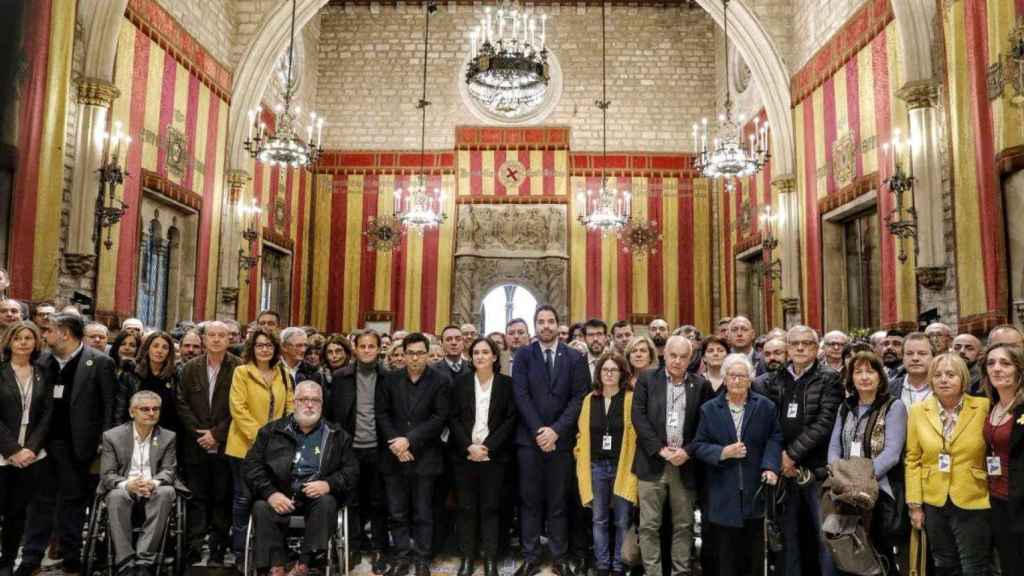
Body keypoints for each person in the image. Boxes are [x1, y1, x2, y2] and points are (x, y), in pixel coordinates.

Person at [19, 313, 116, 576]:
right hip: (42, 443)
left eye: (48, 330)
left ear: (64, 334)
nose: (44, 335)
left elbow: (110, 406)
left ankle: (72, 555)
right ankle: (31, 557)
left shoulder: (100, 363)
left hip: (79, 445)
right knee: (39, 502)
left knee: (73, 502)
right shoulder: (42, 361)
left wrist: (103, 441)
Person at [246, 381, 359, 576]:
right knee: (261, 507)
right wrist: (270, 493)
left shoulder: (337, 435)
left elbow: (351, 471)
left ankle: (305, 565)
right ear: (294, 402)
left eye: (315, 400)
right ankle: (276, 568)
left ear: (322, 404)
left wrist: (328, 484)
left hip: (316, 497)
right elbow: (251, 466)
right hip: (281, 493)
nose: (309, 405)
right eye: (304, 399)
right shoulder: (271, 431)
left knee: (327, 503)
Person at [757, 325, 841, 576]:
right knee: (787, 535)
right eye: (795, 344)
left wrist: (791, 454)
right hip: (785, 471)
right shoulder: (775, 379)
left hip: (816, 471)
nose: (801, 348)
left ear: (817, 349)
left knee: (825, 534)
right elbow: (770, 421)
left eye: (807, 343)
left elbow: (825, 421)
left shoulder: (829, 378)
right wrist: (780, 456)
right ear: (787, 349)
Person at [512, 305, 589, 576]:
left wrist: (555, 431)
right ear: (535, 326)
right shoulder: (523, 355)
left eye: (550, 321)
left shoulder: (575, 357)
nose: (546, 326)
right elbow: (520, 395)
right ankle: (531, 556)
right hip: (529, 442)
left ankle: (558, 556)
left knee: (558, 501)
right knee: (529, 501)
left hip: (563, 441)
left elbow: (579, 398)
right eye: (541, 321)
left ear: (558, 325)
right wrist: (540, 431)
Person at [692, 353, 782, 576]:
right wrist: (722, 452)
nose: (737, 380)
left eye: (742, 376)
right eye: (732, 376)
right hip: (723, 491)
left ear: (750, 378)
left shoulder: (765, 406)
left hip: (755, 490)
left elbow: (775, 437)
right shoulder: (709, 409)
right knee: (726, 558)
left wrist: (770, 466)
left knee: (753, 557)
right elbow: (698, 445)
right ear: (724, 378)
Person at [631, 335, 710, 576]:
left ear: (691, 358)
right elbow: (639, 418)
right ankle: (652, 572)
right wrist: (660, 449)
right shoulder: (646, 379)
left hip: (684, 465)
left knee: (684, 525)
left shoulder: (701, 385)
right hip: (652, 461)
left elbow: (705, 426)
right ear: (664, 354)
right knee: (648, 525)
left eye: (683, 357)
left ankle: (680, 571)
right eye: (672, 355)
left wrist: (687, 451)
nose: (677, 361)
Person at [905, 353, 991, 575]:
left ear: (962, 378)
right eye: (938, 375)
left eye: (951, 375)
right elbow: (912, 459)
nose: (943, 379)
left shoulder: (983, 407)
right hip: (934, 500)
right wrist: (914, 505)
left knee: (975, 566)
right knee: (944, 564)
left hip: (974, 497)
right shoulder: (918, 411)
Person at [375, 332, 451, 576]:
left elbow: (439, 418)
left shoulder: (440, 381)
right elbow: (382, 415)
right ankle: (401, 558)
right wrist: (397, 445)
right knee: (397, 512)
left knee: (423, 512)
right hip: (394, 457)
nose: (415, 358)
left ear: (428, 354)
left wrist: (409, 441)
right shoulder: (389, 379)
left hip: (425, 456)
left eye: (420, 353)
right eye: (411, 353)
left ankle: (421, 559)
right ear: (403, 355)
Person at [827, 351, 908, 573]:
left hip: (880, 490)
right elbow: (834, 447)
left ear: (880, 377)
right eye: (858, 371)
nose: (864, 377)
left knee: (879, 552)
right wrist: (840, 477)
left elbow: (892, 452)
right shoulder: (845, 407)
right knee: (851, 554)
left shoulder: (894, 406)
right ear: (851, 377)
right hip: (845, 492)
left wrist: (862, 481)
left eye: (870, 371)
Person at [225, 328, 295, 562]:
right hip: (244, 446)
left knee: (271, 499)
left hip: (278, 449)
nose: (264, 349)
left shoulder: (283, 373)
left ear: (275, 349)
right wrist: (262, 438)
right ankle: (240, 552)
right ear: (252, 348)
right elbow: (238, 408)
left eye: (268, 345)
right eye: (259, 345)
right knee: (243, 499)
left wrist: (281, 437)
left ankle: (270, 552)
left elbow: (290, 407)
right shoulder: (241, 372)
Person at [449, 337, 517, 576]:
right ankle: (467, 558)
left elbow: (510, 420)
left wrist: (488, 447)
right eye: (476, 352)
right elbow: (453, 418)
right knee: (466, 508)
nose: (480, 356)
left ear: (495, 356)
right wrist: (469, 446)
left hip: (495, 458)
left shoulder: (507, 384)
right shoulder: (460, 383)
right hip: (464, 456)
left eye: (485, 352)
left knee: (491, 508)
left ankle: (490, 559)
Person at [176, 321, 240, 565]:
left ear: (229, 340)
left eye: (221, 335)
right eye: (211, 335)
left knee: (222, 497)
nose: (216, 339)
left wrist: (217, 433)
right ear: (203, 339)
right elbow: (181, 402)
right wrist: (199, 433)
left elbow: (239, 407)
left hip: (226, 443)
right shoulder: (190, 368)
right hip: (196, 443)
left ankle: (217, 550)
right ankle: (194, 547)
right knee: (198, 496)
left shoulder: (239, 368)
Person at [325, 329, 390, 573]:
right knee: (351, 500)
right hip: (350, 448)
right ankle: (352, 546)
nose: (366, 351)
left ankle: (379, 549)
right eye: (362, 346)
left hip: (378, 447)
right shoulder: (341, 376)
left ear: (379, 348)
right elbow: (332, 415)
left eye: (371, 346)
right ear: (355, 348)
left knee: (377, 500)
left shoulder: (389, 376)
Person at [98, 391, 178, 576]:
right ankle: (125, 561)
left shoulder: (167, 437)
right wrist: (127, 484)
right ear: (132, 412)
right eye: (145, 409)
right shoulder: (113, 436)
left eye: (155, 409)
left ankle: (144, 560)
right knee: (116, 496)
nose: (151, 413)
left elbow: (169, 470)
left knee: (166, 493)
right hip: (125, 485)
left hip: (153, 486)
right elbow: (107, 474)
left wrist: (154, 483)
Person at [575, 352, 637, 576]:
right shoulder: (590, 399)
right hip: (596, 466)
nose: (609, 374)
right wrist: (578, 451)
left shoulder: (630, 398)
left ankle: (619, 565)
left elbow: (636, 434)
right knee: (599, 518)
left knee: (622, 520)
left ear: (622, 373)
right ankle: (602, 564)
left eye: (614, 370)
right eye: (605, 370)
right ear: (599, 373)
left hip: (623, 467)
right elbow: (581, 433)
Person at [0, 321, 51, 575]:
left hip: (32, 455)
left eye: (28, 338)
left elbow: (47, 414)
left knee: (17, 512)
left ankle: (7, 562)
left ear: (35, 342)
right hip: (2, 453)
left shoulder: (43, 372)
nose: (23, 342)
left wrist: (30, 448)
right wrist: (12, 450)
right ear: (9, 341)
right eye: (18, 338)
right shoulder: (0, 371)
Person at [981, 343, 1024, 574]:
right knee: (1009, 565)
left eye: (1005, 363)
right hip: (997, 499)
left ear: (1019, 369)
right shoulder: (991, 405)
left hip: (1020, 500)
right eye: (991, 363)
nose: (997, 369)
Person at [115, 331, 180, 430]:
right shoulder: (131, 373)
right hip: (136, 430)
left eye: (165, 347)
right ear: (147, 348)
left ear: (169, 352)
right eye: (155, 346)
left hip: (167, 431)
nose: (159, 351)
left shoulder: (175, 375)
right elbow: (120, 407)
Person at [889, 332, 934, 408]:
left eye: (922, 353)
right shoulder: (889, 389)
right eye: (909, 354)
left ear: (933, 357)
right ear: (903, 358)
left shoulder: (943, 386)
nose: (915, 358)